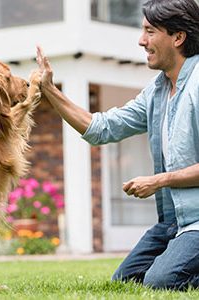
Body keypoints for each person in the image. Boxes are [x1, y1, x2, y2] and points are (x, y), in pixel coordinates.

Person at [36, 0, 199, 290]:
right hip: (173, 222)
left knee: (161, 282)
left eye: (150, 31)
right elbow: (102, 128)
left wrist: (158, 180)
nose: (141, 40)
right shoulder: (157, 91)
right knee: (126, 280)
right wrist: (50, 91)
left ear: (178, 37)